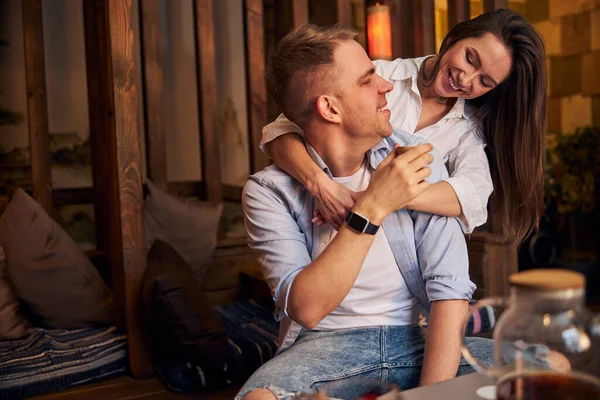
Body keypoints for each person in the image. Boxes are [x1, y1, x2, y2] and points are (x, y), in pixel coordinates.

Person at [238, 24, 491, 400]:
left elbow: (450, 291)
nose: (387, 86)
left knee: (548, 366)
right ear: (329, 107)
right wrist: (372, 207)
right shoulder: (268, 192)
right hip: (323, 347)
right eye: (368, 79)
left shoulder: (413, 159)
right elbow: (305, 308)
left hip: (415, 339)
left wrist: (431, 396)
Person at [260, 9, 547, 245]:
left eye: (484, 82)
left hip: (401, 252)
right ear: (456, 37)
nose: (466, 79)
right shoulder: (380, 75)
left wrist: (381, 196)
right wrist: (322, 186)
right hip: (323, 229)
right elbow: (280, 131)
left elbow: (471, 196)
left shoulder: (467, 129)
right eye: (470, 59)